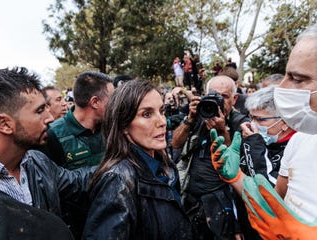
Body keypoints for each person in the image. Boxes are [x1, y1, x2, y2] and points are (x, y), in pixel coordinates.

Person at [210, 23, 317, 239]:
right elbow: (273, 201)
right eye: (285, 76)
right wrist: (236, 177)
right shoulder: (301, 141)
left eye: (297, 79)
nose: (281, 87)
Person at [0, 67, 95, 239]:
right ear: (5, 124)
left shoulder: (38, 162)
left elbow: (78, 181)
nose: (50, 118)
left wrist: (125, 165)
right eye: (39, 111)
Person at [83, 79, 192, 239]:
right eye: (147, 114)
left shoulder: (165, 165)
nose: (162, 122)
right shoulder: (118, 181)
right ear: (124, 125)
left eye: (161, 111)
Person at [171, 75, 248, 240]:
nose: (218, 101)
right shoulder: (200, 115)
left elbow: (232, 165)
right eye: (213, 95)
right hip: (190, 197)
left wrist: (222, 131)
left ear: (234, 99)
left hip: (221, 202)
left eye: (224, 97)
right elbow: (175, 143)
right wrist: (190, 119)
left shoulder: (241, 124)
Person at [237, 85, 296, 239]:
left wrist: (254, 146)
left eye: (260, 119)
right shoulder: (258, 140)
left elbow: (270, 191)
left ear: (284, 122)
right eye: (251, 117)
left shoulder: (298, 147)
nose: (253, 124)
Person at [43, 71, 114, 170]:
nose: (115, 104)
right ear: (95, 102)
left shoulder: (111, 128)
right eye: (112, 99)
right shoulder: (52, 136)